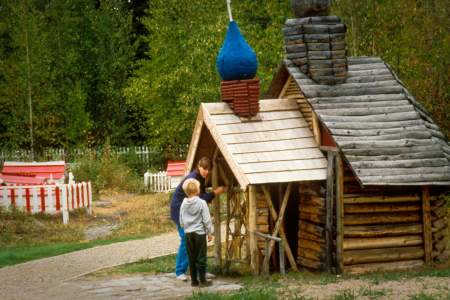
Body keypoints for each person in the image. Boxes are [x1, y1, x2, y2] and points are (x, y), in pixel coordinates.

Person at [170, 157, 225, 281]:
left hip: (189, 213)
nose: (205, 171)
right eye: (204, 168)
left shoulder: (201, 178)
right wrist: (215, 192)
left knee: (196, 244)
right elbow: (200, 199)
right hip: (180, 211)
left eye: (207, 169)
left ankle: (200, 272)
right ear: (199, 166)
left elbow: (201, 198)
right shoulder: (194, 178)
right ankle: (180, 272)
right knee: (186, 241)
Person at [179, 178, 213, 287]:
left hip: (188, 234)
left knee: (191, 257)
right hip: (199, 233)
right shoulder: (202, 203)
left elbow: (181, 218)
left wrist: (184, 227)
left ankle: (194, 281)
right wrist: (209, 232)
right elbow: (206, 219)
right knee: (201, 257)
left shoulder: (183, 203)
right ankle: (203, 280)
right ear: (197, 190)